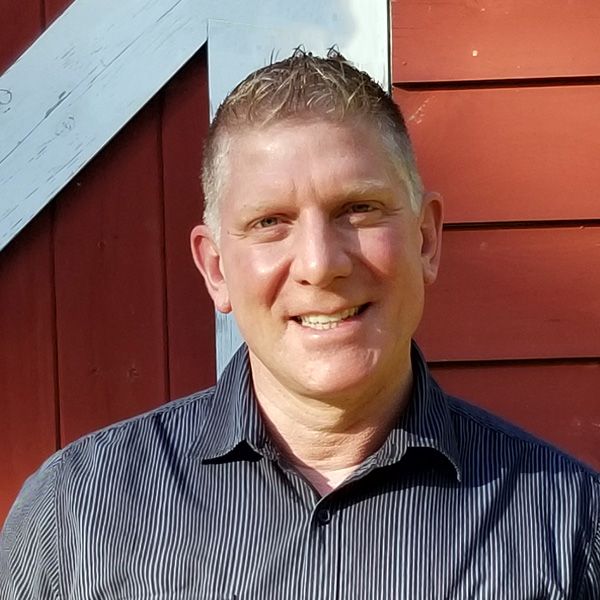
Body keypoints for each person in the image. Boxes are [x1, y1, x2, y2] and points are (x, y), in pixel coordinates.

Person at [1, 48, 599, 599]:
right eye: (270, 222)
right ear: (216, 269)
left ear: (425, 239)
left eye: (358, 209)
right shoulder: (76, 515)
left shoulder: (570, 525)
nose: (319, 264)